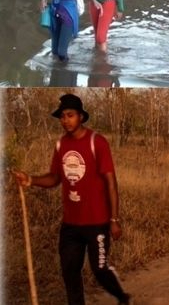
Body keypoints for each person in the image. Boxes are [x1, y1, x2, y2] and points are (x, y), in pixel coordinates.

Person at [12, 94, 131, 305]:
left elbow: (111, 183)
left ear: (81, 117)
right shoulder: (61, 145)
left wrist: (114, 220)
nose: (65, 120)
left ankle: (123, 298)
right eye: (62, 117)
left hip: (97, 223)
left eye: (70, 115)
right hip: (71, 224)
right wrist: (30, 180)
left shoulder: (97, 142)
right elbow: (55, 178)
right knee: (69, 271)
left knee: (100, 269)